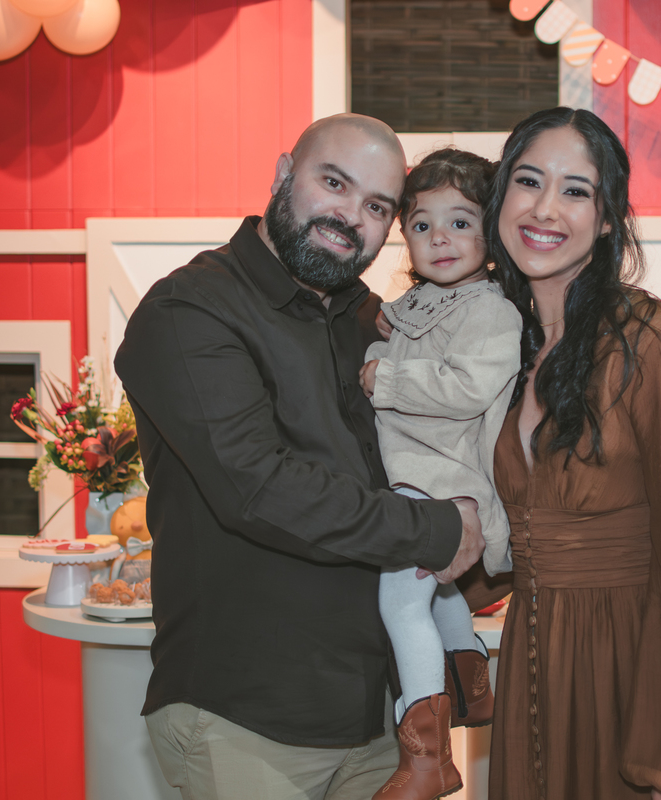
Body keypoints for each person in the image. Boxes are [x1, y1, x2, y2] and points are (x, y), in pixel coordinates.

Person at [113, 113, 485, 800]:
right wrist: (441, 529)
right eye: (334, 183)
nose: (350, 217)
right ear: (284, 173)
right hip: (247, 719)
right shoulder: (188, 311)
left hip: (381, 720)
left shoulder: (371, 318)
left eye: (377, 206)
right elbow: (257, 487)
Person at [461, 107, 661, 800]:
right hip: (534, 658)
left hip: (630, 667)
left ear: (606, 217)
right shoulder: (500, 346)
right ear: (500, 198)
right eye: (528, 181)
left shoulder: (652, 342)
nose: (544, 208)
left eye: (575, 190)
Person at [358, 148, 522, 800]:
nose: (440, 239)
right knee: (437, 592)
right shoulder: (419, 304)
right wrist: (379, 344)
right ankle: (471, 685)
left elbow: (465, 387)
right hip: (414, 476)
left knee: (399, 600)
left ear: (490, 231)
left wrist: (384, 375)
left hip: (443, 481)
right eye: (422, 225)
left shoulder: (491, 310)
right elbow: (397, 345)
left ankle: (428, 755)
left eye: (460, 222)